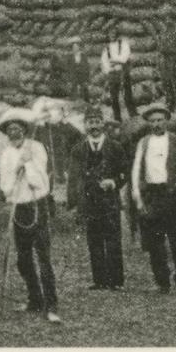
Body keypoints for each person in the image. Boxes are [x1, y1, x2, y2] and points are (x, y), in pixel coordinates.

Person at [0, 108, 61, 323]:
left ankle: (51, 304)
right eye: (10, 130)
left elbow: (40, 181)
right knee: (23, 259)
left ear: (24, 130)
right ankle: (35, 299)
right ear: (6, 133)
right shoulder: (6, 154)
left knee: (43, 256)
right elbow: (5, 185)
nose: (14, 132)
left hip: (37, 205)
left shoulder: (36, 147)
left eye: (18, 128)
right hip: (19, 206)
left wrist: (28, 163)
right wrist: (15, 168)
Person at [131, 105, 176, 296]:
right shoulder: (143, 143)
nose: (156, 124)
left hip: (171, 193)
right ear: (148, 123)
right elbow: (136, 170)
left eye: (160, 120)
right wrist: (138, 195)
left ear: (166, 121)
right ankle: (162, 283)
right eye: (152, 121)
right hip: (151, 194)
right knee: (155, 242)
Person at [67, 106, 128, 291]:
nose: (94, 126)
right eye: (90, 122)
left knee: (113, 239)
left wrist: (114, 182)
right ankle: (99, 280)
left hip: (110, 201)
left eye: (97, 122)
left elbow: (124, 172)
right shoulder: (78, 149)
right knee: (93, 240)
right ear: (85, 125)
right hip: (89, 202)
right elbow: (74, 177)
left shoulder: (115, 147)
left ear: (103, 124)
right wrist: (76, 204)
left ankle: (116, 281)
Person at [100, 24, 136, 122]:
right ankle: (117, 118)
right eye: (110, 33)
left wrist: (115, 61)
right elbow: (104, 62)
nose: (112, 35)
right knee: (114, 97)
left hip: (123, 71)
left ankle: (133, 115)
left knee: (127, 95)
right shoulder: (106, 48)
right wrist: (109, 68)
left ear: (117, 34)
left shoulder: (123, 43)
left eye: (114, 33)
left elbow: (125, 57)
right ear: (108, 35)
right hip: (112, 74)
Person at [155, 8, 176, 114]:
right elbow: (160, 46)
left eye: (170, 19)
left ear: (174, 19)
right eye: (166, 19)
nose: (167, 21)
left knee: (175, 82)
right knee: (166, 82)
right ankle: (169, 103)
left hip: (173, 58)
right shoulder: (163, 32)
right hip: (164, 59)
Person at [49, 36, 90, 101]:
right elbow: (66, 67)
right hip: (73, 78)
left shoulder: (83, 56)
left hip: (82, 77)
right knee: (73, 92)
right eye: (73, 47)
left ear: (79, 47)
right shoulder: (69, 57)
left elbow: (87, 67)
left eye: (76, 47)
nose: (75, 49)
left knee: (84, 92)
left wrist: (86, 78)